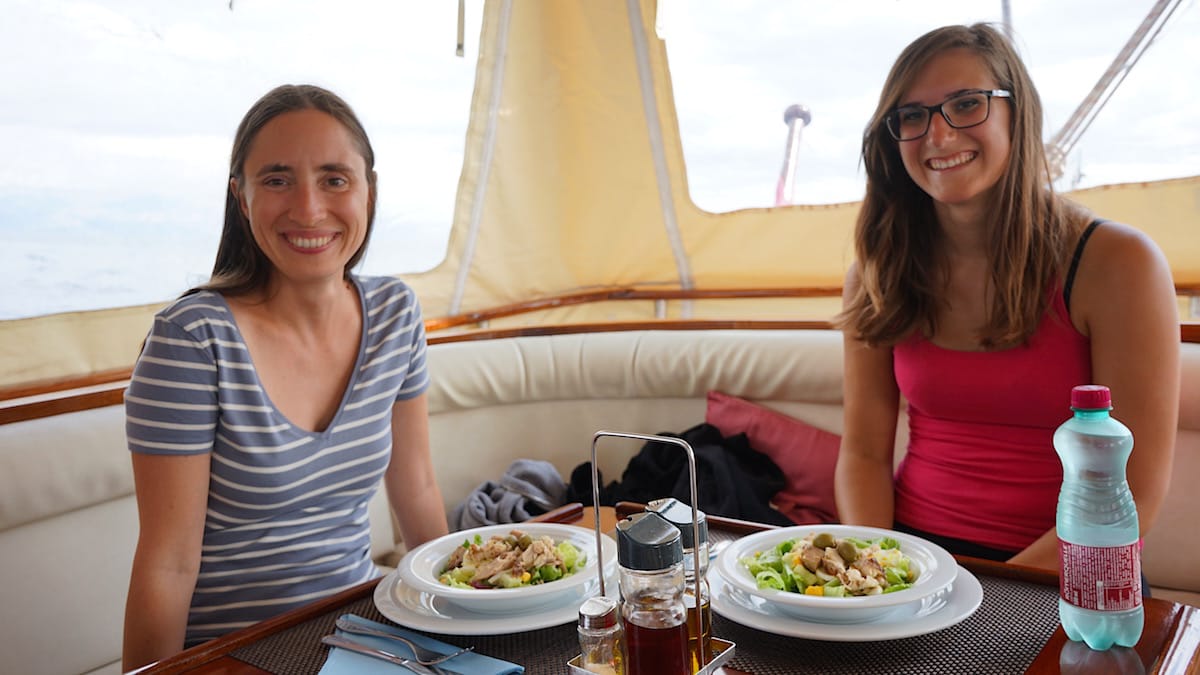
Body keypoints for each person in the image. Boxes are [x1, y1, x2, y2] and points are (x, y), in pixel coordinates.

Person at [121, 84, 449, 671]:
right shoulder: (193, 340)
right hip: (242, 655)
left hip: (365, 632)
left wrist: (464, 626)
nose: (308, 209)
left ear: (369, 191)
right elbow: (167, 563)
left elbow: (418, 490)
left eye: (334, 179)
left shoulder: (396, 313)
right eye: (276, 179)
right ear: (241, 199)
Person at [834, 24, 1179, 571]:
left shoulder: (1117, 263)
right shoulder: (877, 271)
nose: (939, 137)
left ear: (1020, 114)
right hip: (911, 563)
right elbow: (863, 454)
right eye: (913, 116)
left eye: (967, 104)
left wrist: (985, 596)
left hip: (1066, 575)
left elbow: (1132, 492)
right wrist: (874, 571)